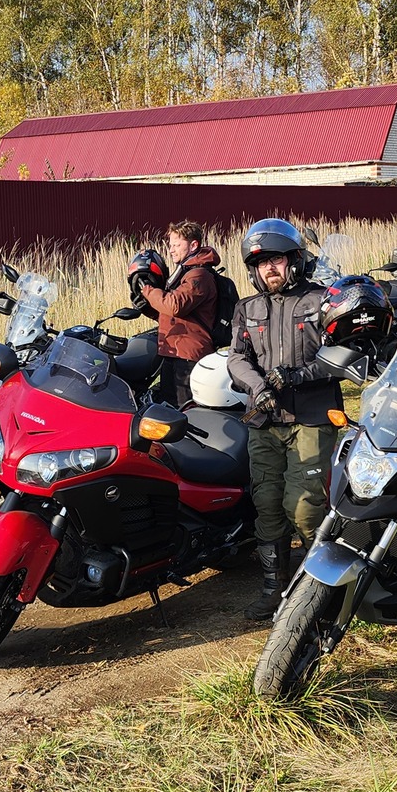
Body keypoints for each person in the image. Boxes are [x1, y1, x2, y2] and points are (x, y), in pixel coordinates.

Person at [225, 218, 340, 622]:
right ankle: (275, 589)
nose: (269, 268)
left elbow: (342, 357)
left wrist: (295, 376)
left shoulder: (322, 300)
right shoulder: (247, 309)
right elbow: (237, 359)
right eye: (261, 263)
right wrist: (259, 387)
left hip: (312, 417)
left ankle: (319, 590)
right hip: (264, 421)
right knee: (267, 505)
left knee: (305, 507)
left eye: (276, 259)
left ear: (294, 260)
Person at [132, 220, 222, 407]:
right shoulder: (184, 273)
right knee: (169, 407)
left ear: (193, 245)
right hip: (173, 352)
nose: (171, 250)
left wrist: (148, 291)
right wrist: (146, 307)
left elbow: (175, 306)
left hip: (189, 355)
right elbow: (170, 316)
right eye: (170, 245)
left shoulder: (199, 275)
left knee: (185, 410)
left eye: (176, 244)